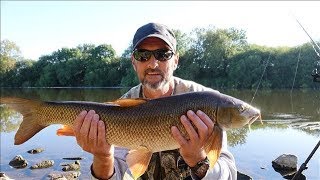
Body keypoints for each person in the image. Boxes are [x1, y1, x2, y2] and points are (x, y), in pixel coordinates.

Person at [73, 22, 237, 180]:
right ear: (133, 62)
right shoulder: (120, 109)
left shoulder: (206, 101)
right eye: (143, 55)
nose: (153, 63)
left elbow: (230, 175)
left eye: (163, 54)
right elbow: (116, 175)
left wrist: (198, 161)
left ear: (175, 61)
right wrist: (103, 157)